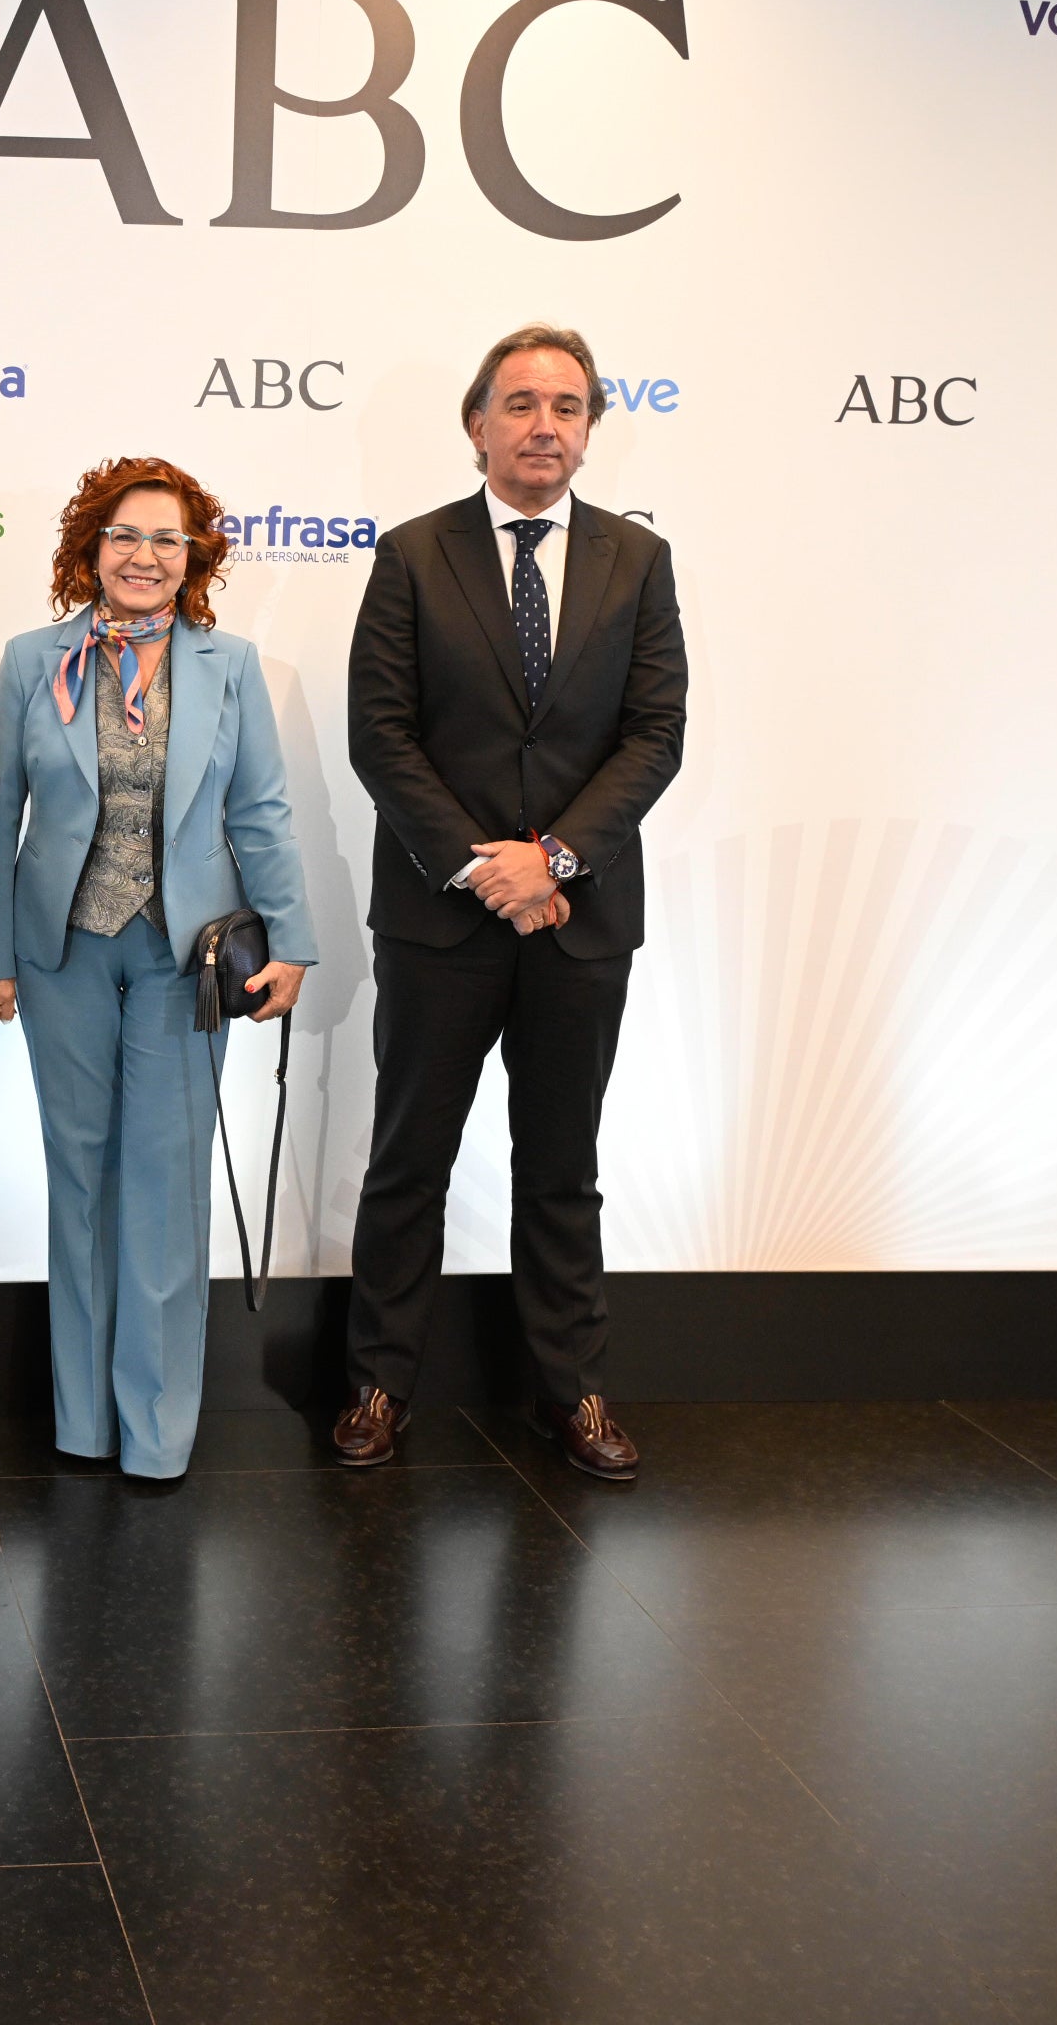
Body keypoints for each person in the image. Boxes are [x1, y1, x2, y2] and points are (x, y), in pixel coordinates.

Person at [342, 325, 687, 1480]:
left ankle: (573, 1390)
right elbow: (381, 734)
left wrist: (559, 859)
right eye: (523, 403)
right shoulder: (412, 555)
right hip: (441, 919)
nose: (546, 425)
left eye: (568, 407)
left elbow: (656, 734)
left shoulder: (638, 562)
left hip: (581, 922)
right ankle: (380, 1384)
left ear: (590, 431)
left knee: (561, 1167)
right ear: (477, 423)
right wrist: (482, 866)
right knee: (409, 1162)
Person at [0, 458, 314, 1479]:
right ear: (92, 547)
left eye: (167, 538)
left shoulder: (230, 665)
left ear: (193, 557)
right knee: (79, 1179)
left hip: (183, 961)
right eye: (124, 535)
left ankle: (156, 1432)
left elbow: (261, 811)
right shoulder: (32, 661)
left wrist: (292, 939)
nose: (144, 555)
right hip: (61, 953)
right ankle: (83, 1422)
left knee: (165, 1186)